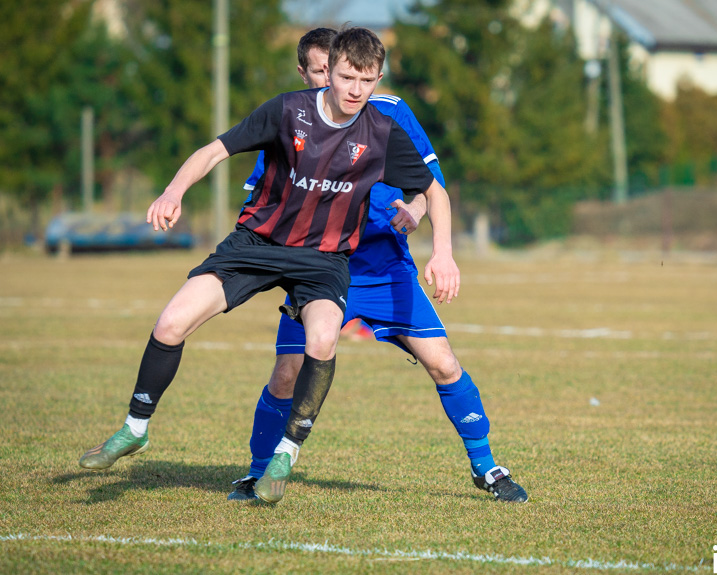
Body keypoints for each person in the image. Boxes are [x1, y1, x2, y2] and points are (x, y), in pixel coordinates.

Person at [78, 27, 460, 506]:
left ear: (378, 78)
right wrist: (174, 191)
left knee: (321, 339)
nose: (356, 90)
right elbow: (215, 150)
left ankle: (285, 452)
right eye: (346, 77)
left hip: (322, 260)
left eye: (367, 80)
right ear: (329, 70)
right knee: (171, 322)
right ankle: (135, 428)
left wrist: (442, 252)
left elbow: (434, 190)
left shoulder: (382, 133)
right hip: (256, 244)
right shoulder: (287, 110)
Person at [227, 28, 528, 504]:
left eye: (348, 73)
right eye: (325, 72)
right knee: (286, 372)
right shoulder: (292, 119)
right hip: (320, 269)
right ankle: (257, 472)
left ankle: (486, 467)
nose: (343, 85)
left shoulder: (388, 113)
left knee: (443, 362)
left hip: (386, 265)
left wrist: (421, 218)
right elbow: (262, 200)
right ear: (306, 74)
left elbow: (432, 186)